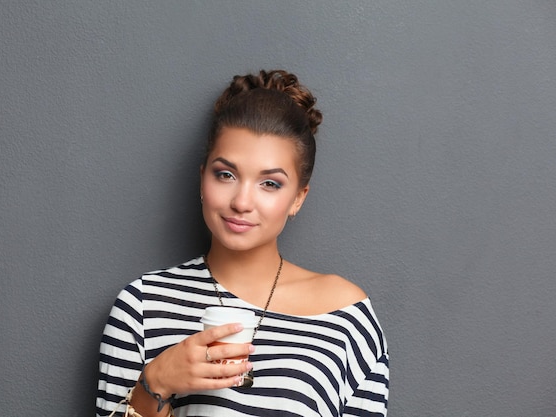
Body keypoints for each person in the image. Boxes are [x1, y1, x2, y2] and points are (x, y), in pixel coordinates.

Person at [96, 70, 389, 417]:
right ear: (202, 176)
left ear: (298, 198)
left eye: (270, 183)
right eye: (226, 175)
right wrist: (156, 383)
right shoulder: (141, 307)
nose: (242, 202)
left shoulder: (346, 317)